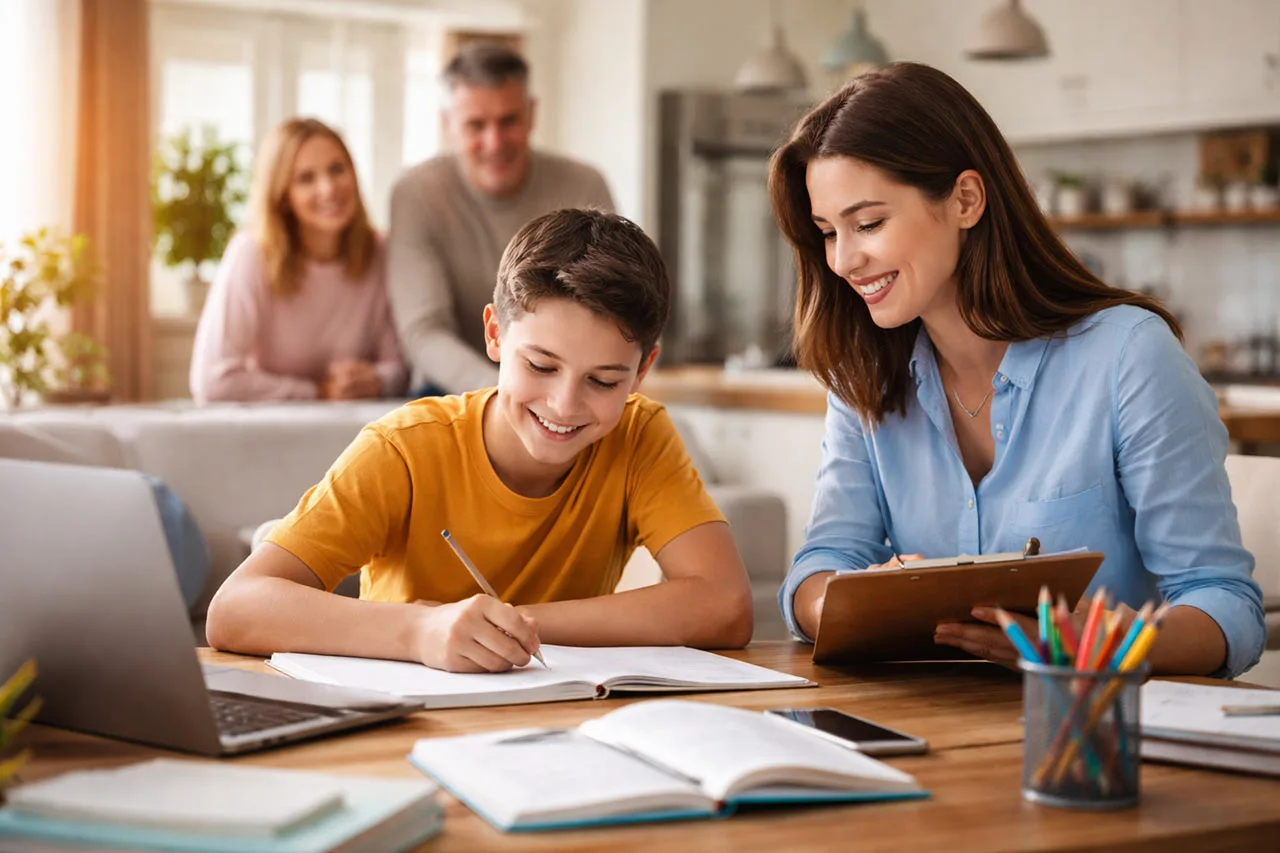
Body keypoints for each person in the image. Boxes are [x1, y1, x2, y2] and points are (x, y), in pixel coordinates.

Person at [770, 62, 1265, 678]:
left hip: (1090, 731)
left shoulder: (1128, 358)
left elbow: (1226, 606)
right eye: (826, 232)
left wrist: (1101, 645)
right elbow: (821, 564)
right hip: (932, 720)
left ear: (966, 201)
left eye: (868, 223)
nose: (844, 260)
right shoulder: (864, 374)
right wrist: (850, 598)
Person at [205, 208, 754, 672]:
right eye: (540, 365)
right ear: (494, 333)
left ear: (641, 372)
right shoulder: (406, 448)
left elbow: (725, 606)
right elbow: (235, 609)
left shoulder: (639, 434)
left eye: (603, 381)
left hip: (561, 725)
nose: (564, 405)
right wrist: (420, 631)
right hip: (404, 729)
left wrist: (518, 625)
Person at [386, 43, 614, 397]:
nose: (494, 142)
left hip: (568, 387)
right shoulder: (415, 194)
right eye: (476, 125)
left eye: (509, 121)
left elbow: (610, 307)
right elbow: (423, 330)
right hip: (454, 390)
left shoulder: (584, 185)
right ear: (448, 125)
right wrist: (507, 393)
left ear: (532, 114)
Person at [190, 118, 407, 403]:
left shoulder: (382, 252)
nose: (329, 188)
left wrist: (375, 381)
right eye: (306, 178)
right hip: (271, 432)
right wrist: (318, 392)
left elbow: (401, 368)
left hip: (355, 432)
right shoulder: (251, 254)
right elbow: (211, 381)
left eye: (337, 169)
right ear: (282, 196)